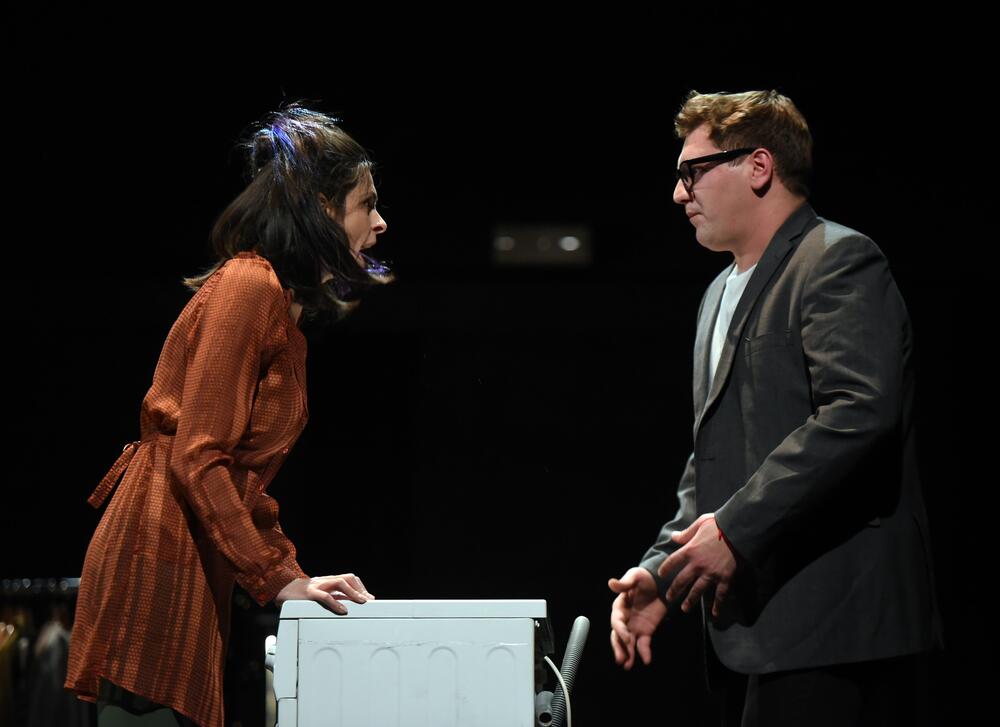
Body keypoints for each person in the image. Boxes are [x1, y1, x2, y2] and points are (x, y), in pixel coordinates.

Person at [608, 90, 941, 725]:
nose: (679, 194)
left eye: (692, 171)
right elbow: (716, 454)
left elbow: (858, 413)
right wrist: (664, 572)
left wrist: (734, 530)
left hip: (836, 622)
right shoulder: (717, 293)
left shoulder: (836, 259)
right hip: (755, 626)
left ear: (759, 166)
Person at [64, 106, 390, 727]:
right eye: (366, 204)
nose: (379, 222)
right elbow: (199, 455)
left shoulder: (278, 302)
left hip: (192, 546)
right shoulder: (250, 286)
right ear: (322, 208)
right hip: (160, 548)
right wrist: (275, 576)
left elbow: (232, 476)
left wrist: (288, 572)